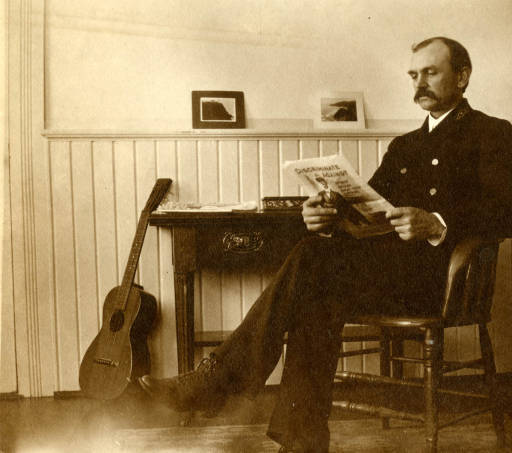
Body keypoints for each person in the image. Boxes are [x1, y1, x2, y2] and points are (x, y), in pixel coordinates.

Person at [139, 37, 512, 452]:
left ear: (462, 76)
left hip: (443, 283)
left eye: (431, 72)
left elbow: (506, 209)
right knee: (315, 275)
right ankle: (300, 440)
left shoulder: (493, 134)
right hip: (390, 276)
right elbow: (368, 210)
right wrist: (328, 216)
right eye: (413, 74)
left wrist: (437, 222)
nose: (419, 83)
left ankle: (223, 382)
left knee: (313, 273)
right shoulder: (404, 146)